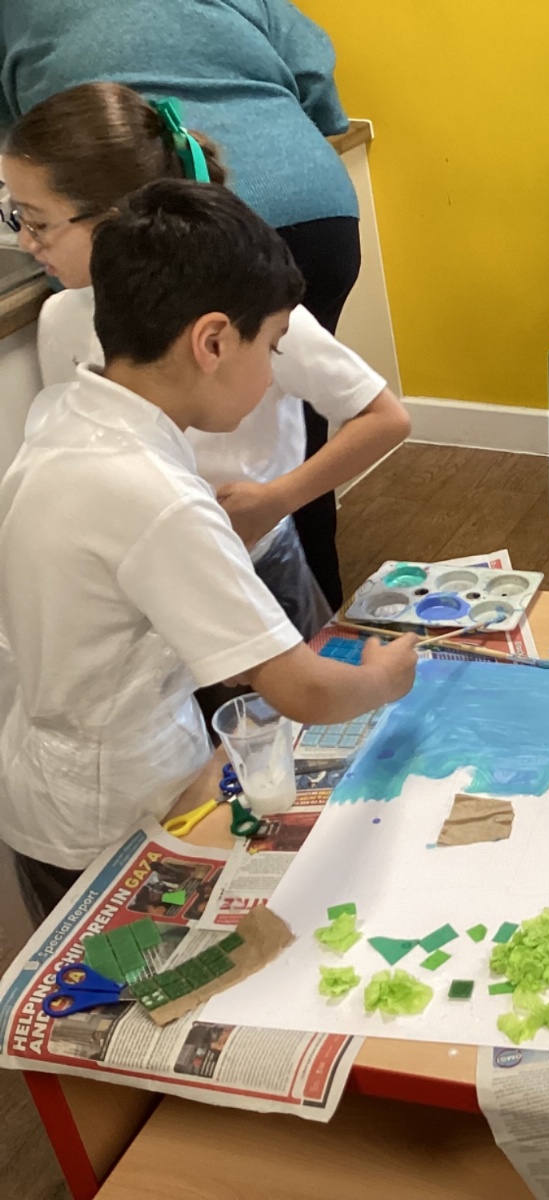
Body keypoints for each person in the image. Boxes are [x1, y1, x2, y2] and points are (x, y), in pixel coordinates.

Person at [0, 180, 417, 925]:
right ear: (214, 342)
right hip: (111, 807)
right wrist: (385, 677)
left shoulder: (63, 415)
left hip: (55, 777)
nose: (273, 371)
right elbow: (307, 693)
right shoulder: (158, 496)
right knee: (133, 971)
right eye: (273, 346)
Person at [1, 83, 410, 639]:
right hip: (147, 585)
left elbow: (385, 417)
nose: (27, 243)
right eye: (16, 218)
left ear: (120, 219)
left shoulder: (257, 314)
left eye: (38, 222)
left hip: (256, 565)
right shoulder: (60, 319)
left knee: (290, 684)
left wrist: (276, 500)